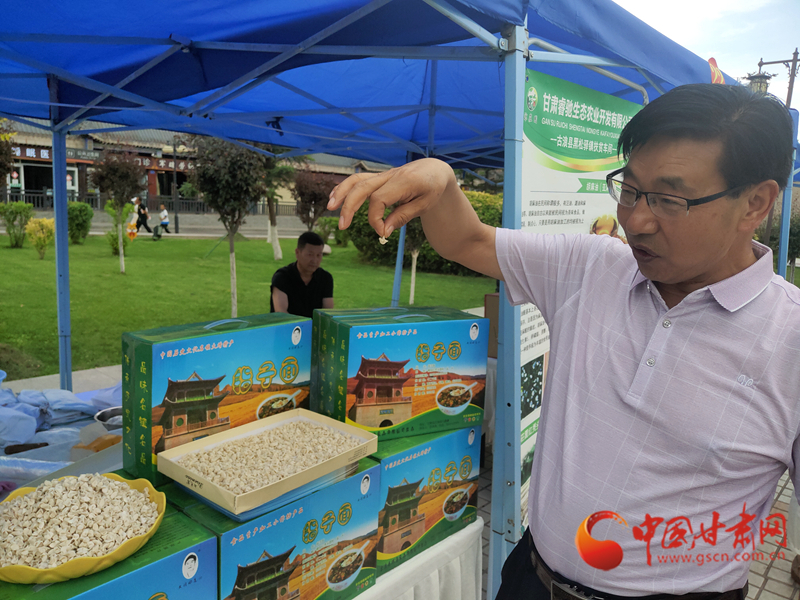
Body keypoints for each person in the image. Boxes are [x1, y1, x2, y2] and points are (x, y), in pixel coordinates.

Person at [329, 84, 796, 599]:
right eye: (630, 189)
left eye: (669, 199)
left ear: (755, 203)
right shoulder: (592, 267)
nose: (636, 220)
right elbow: (469, 240)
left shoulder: (790, 341)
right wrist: (442, 179)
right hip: (533, 578)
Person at [270, 232, 334, 318]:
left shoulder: (325, 278)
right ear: (297, 253)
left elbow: (327, 314)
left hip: (315, 326)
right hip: (287, 325)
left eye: (318, 255)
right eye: (310, 255)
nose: (315, 260)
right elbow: (281, 314)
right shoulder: (282, 277)